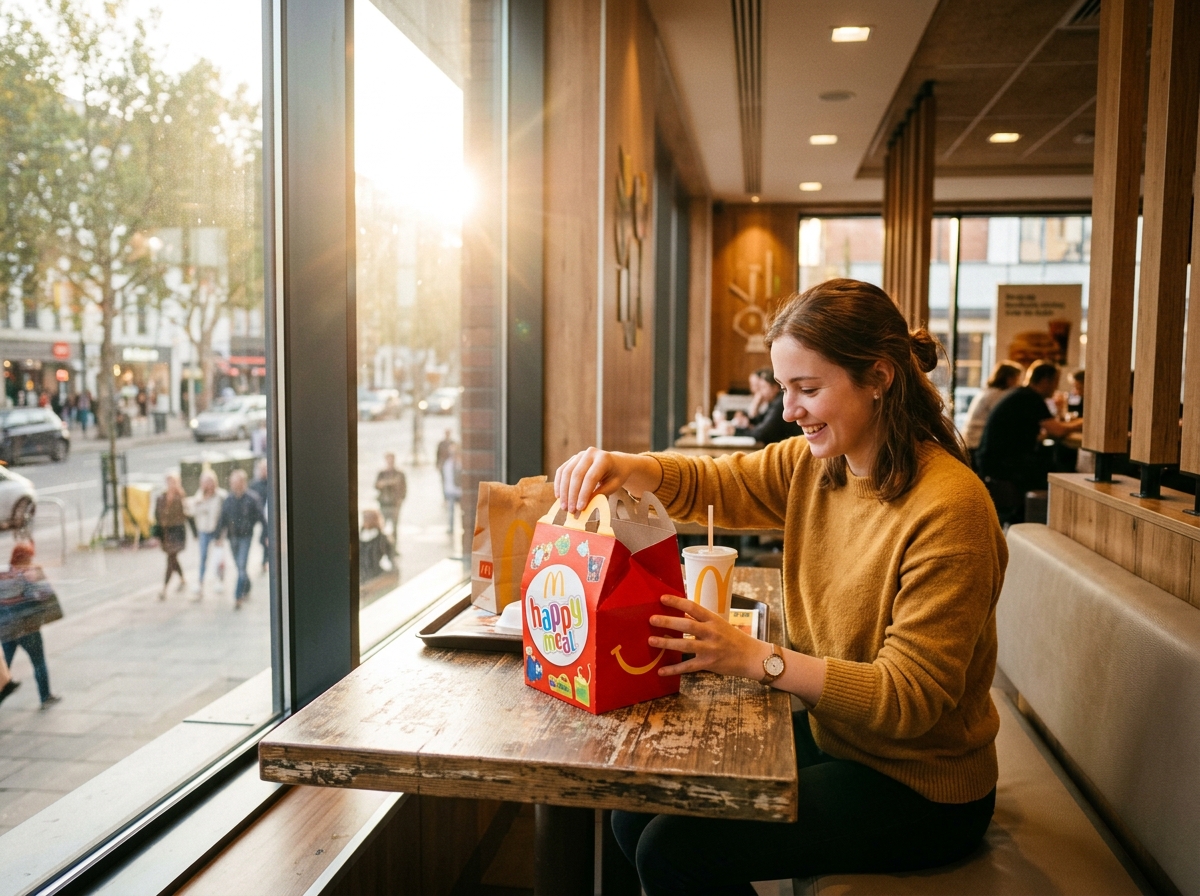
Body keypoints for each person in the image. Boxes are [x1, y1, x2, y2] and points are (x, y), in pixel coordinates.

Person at [555, 279, 1006, 894]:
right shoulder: (819, 464)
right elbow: (720, 483)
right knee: (636, 807)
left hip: (920, 786)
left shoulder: (951, 508)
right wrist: (630, 466)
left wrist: (756, 659)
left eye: (808, 389)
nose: (788, 410)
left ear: (878, 377)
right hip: (838, 736)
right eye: (785, 387)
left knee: (673, 849)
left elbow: (910, 698)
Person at [975, 360, 1083, 505]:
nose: (1056, 387)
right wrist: (1084, 422)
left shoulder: (1021, 394)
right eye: (1055, 382)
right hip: (1003, 465)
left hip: (991, 462)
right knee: (1061, 471)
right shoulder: (1031, 398)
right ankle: (1051, 512)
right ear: (1045, 381)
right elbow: (1058, 431)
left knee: (1052, 460)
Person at [0, 542, 61, 708]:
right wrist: (37, 580)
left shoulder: (3, 575)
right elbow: (43, 595)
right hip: (28, 629)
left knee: (4, 667)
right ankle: (45, 697)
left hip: (7, 629)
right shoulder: (27, 574)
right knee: (38, 661)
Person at [216, 469, 265, 609]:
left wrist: (266, 536)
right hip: (232, 538)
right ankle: (247, 586)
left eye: (235, 482)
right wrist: (218, 535)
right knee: (239, 566)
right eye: (232, 482)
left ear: (242, 483)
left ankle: (238, 596)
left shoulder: (252, 498)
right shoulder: (229, 499)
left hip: (245, 537)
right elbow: (223, 518)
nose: (233, 485)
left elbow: (261, 518)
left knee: (242, 565)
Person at [963, 360, 1023, 458]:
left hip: (971, 441)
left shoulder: (988, 392)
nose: (1019, 383)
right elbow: (1008, 420)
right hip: (979, 443)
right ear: (1009, 379)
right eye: (1017, 378)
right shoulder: (998, 395)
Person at [731, 366, 802, 445]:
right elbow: (759, 421)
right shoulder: (773, 402)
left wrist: (736, 431)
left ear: (775, 388)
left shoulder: (780, 403)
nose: (760, 392)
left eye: (763, 387)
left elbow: (762, 433)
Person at [188, 471, 226, 598]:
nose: (208, 485)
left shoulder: (221, 496)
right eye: (205, 482)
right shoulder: (199, 496)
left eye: (210, 482)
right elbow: (191, 513)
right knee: (203, 557)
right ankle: (200, 582)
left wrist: (222, 535)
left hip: (216, 531)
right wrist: (200, 502)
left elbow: (224, 516)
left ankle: (219, 581)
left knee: (218, 558)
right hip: (203, 530)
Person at [156, 473, 188, 599]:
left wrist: (196, 533)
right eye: (169, 482)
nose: (171, 485)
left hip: (177, 532)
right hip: (166, 533)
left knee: (170, 559)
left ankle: (164, 589)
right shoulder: (161, 497)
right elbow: (157, 515)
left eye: (173, 482)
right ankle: (182, 579)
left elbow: (187, 516)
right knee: (173, 559)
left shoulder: (180, 497)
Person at [375, 453, 407, 540]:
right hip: (384, 503)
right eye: (388, 460)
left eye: (391, 460)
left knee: (395, 527)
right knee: (382, 526)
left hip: (395, 504)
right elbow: (377, 485)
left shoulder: (400, 473)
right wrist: (389, 482)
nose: (390, 462)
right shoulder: (382, 473)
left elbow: (404, 489)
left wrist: (401, 500)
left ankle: (393, 548)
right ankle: (381, 547)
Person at [359, 508, 396, 582]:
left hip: (375, 576)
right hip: (361, 575)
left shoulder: (382, 538)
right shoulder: (359, 536)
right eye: (364, 518)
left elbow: (391, 558)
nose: (365, 520)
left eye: (367, 518)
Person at [249, 459, 270, 574]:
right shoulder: (255, 484)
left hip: (267, 516)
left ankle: (265, 560)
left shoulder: (272, 482)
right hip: (258, 515)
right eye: (262, 469)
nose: (263, 471)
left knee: (265, 538)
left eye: (265, 469)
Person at [442, 441, 462, 536]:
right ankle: (451, 527)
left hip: (460, 491)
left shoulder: (460, 463)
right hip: (450, 490)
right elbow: (446, 479)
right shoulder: (447, 464)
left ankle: (462, 526)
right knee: (451, 511)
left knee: (462, 511)